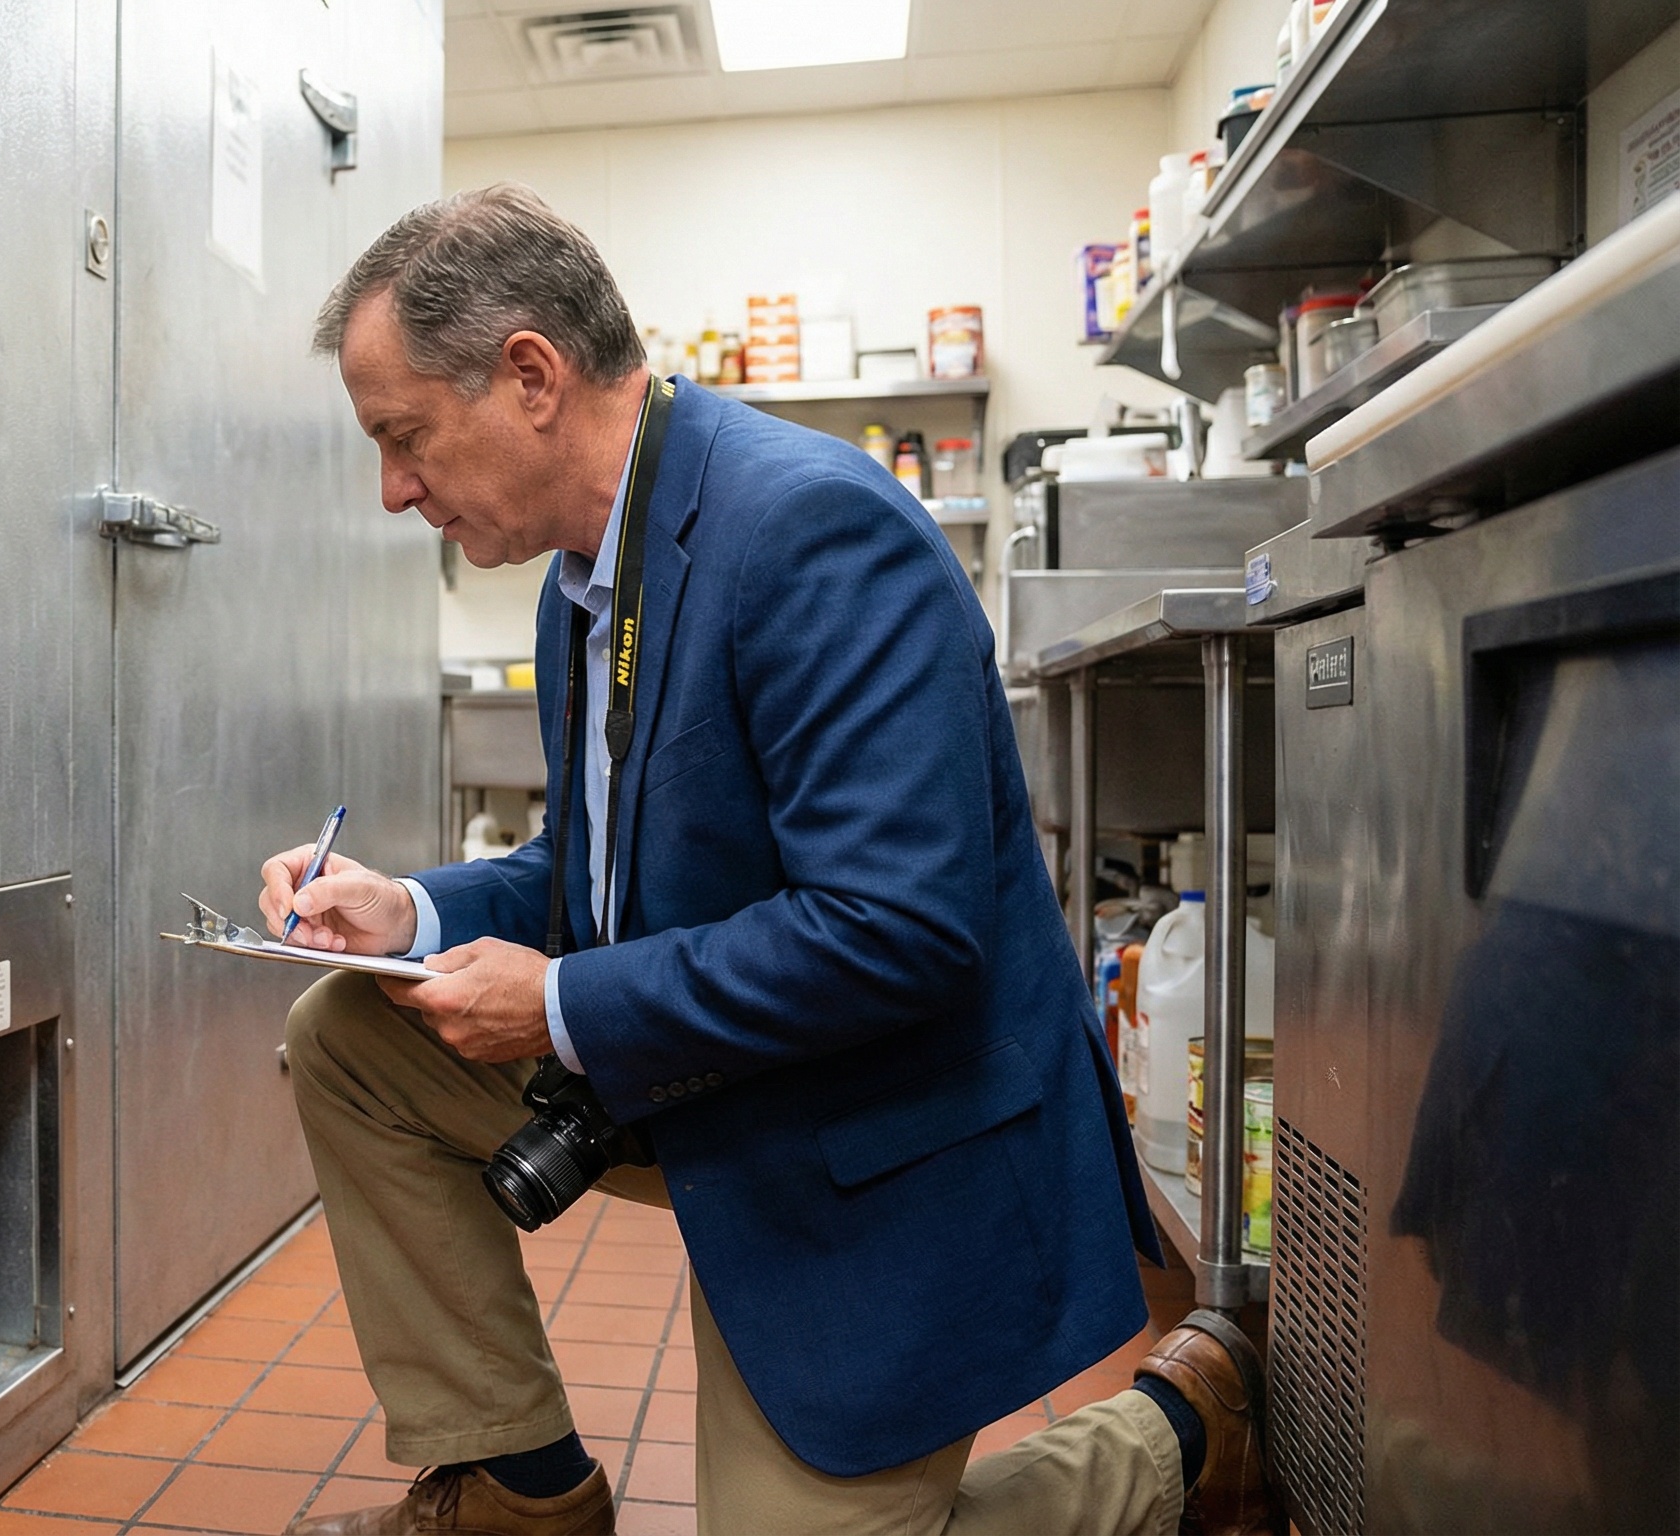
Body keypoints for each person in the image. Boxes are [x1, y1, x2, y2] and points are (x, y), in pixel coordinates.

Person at [253, 184, 1282, 1536]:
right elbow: (594, 875)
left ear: (529, 377)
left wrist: (560, 1005)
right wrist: (410, 909)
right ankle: (521, 1494)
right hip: (730, 1072)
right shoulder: (588, 575)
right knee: (348, 1035)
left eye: (404, 439)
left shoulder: (808, 531)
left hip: (888, 1124)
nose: (394, 490)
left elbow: (893, 931)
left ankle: (1177, 1430)